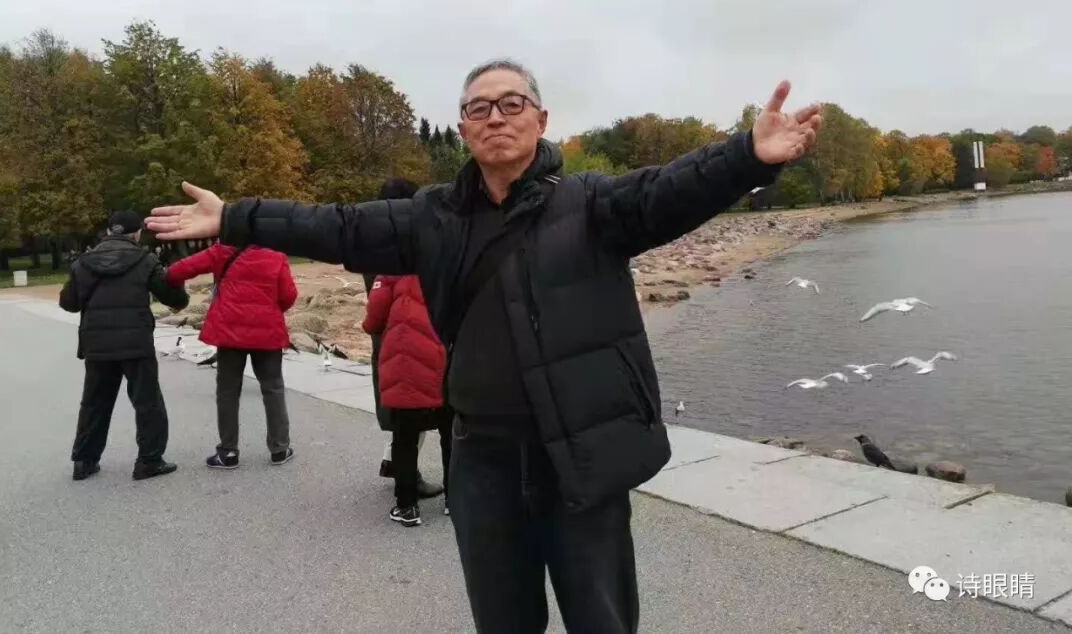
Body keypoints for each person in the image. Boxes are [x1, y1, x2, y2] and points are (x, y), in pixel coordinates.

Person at [147, 61, 822, 633]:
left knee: (602, 618)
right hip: (483, 459)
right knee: (503, 620)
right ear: (464, 128)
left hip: (579, 455)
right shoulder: (433, 217)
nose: (496, 117)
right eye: (479, 108)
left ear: (541, 119)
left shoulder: (593, 205)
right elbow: (337, 226)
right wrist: (234, 216)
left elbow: (672, 189)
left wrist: (747, 156)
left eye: (511, 104)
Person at [60, 210, 188, 481]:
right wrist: (180, 283)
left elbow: (68, 303)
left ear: (109, 231)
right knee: (147, 402)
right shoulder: (145, 260)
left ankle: (84, 461)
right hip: (135, 342)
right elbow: (173, 297)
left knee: (94, 403)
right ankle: (149, 461)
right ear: (137, 233)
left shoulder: (83, 262)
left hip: (97, 343)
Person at [165, 242, 298, 468]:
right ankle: (280, 448)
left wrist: (175, 293)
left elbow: (177, 271)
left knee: (227, 391)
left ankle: (228, 452)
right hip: (267, 331)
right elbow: (289, 295)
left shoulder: (221, 251)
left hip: (229, 331)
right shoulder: (276, 255)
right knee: (273, 388)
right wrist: (267, 309)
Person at [366, 177, 443, 500]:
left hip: (385, 332)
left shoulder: (370, 240)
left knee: (399, 405)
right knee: (419, 404)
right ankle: (406, 477)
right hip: (414, 332)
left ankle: (393, 462)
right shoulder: (410, 244)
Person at [362, 263, 453, 526]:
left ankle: (407, 506)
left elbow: (374, 318)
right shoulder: (446, 265)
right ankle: (454, 499)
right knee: (450, 435)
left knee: (405, 438)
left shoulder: (391, 268)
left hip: (405, 364)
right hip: (442, 359)